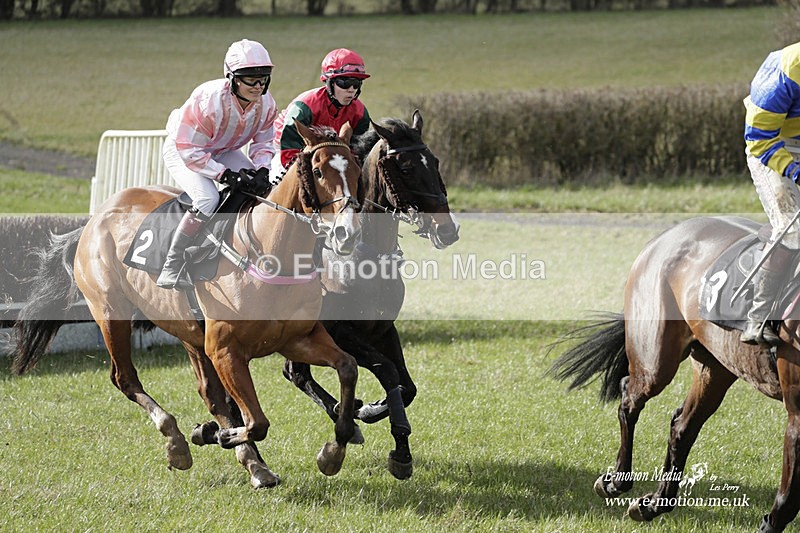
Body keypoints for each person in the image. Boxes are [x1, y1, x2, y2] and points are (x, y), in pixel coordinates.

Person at [158, 38, 278, 290]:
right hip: (184, 150)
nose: (258, 86)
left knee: (260, 189)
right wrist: (223, 175)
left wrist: (263, 169)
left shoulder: (267, 104)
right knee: (207, 199)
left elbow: (264, 143)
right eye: (251, 79)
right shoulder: (208, 100)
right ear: (232, 78)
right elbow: (189, 150)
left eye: (263, 79)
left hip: (223, 149)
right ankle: (173, 262)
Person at [741, 41, 800, 345]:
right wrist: (796, 171)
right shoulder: (787, 68)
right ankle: (758, 317)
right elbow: (758, 138)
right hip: (771, 145)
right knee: (793, 228)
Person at [271, 48, 371, 177]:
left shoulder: (360, 113)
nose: (351, 89)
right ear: (329, 83)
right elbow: (290, 146)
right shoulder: (305, 107)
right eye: (345, 83)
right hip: (283, 147)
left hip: (327, 152)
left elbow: (356, 152)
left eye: (356, 83)